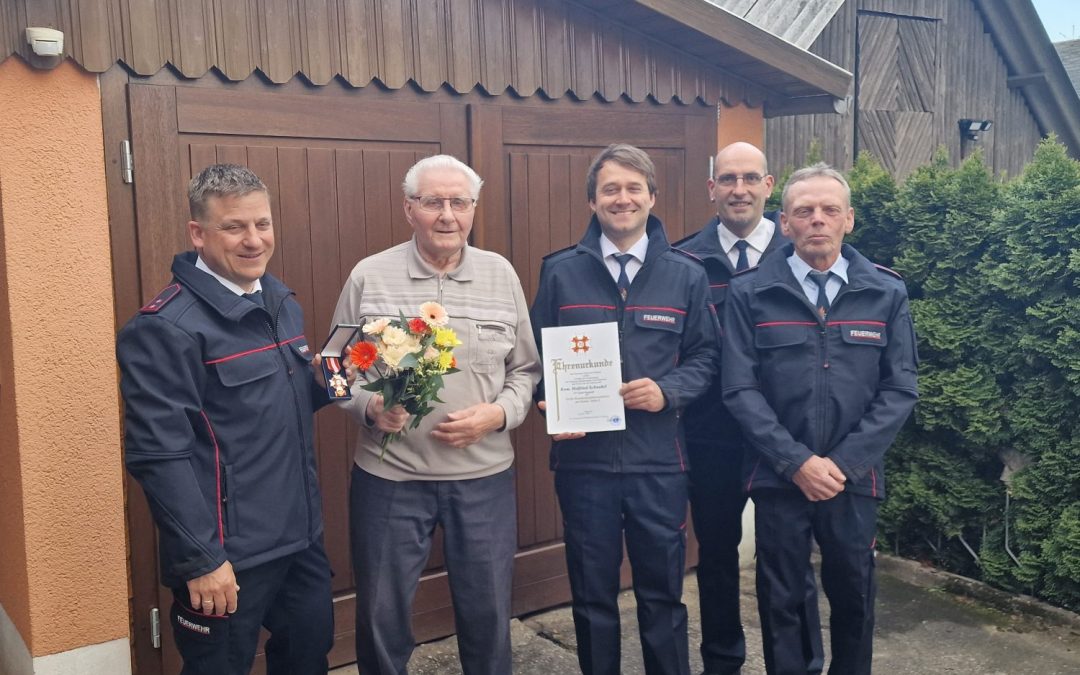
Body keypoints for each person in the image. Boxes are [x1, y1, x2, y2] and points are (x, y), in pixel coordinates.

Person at [117, 164, 335, 675]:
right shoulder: (166, 330)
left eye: (262, 224)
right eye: (234, 227)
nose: (253, 240)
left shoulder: (279, 302)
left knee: (308, 659)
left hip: (299, 538)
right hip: (226, 557)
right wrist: (202, 561)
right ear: (198, 233)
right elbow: (157, 455)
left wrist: (344, 380)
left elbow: (281, 400)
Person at [330, 154, 541, 675]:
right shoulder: (369, 275)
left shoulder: (500, 274)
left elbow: (527, 371)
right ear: (409, 209)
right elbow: (333, 366)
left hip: (483, 479)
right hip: (390, 481)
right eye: (433, 202)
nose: (447, 215)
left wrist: (498, 415)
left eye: (459, 202)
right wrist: (367, 406)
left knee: (488, 615)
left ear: (473, 209)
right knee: (381, 618)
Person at [722, 163, 919, 675]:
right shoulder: (750, 293)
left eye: (829, 210)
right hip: (779, 475)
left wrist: (843, 464)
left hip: (854, 479)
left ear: (848, 220)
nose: (817, 220)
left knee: (854, 596)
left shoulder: (885, 291)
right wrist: (796, 462)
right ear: (784, 223)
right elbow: (739, 389)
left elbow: (899, 389)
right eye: (804, 211)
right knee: (782, 599)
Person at [530, 144, 720, 675]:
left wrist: (668, 390)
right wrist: (549, 405)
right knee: (592, 600)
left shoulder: (686, 273)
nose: (623, 198)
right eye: (610, 189)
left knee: (662, 598)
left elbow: (708, 356)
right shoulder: (561, 272)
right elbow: (533, 357)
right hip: (583, 465)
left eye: (634, 188)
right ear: (592, 200)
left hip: (659, 464)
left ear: (652, 197)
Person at [675, 142, 822, 675]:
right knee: (715, 556)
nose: (739, 189)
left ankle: (801, 663)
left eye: (750, 178)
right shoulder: (685, 260)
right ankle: (722, 662)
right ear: (711, 187)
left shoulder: (803, 255)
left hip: (787, 439)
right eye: (728, 178)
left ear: (769, 185)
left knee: (789, 560)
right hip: (712, 435)